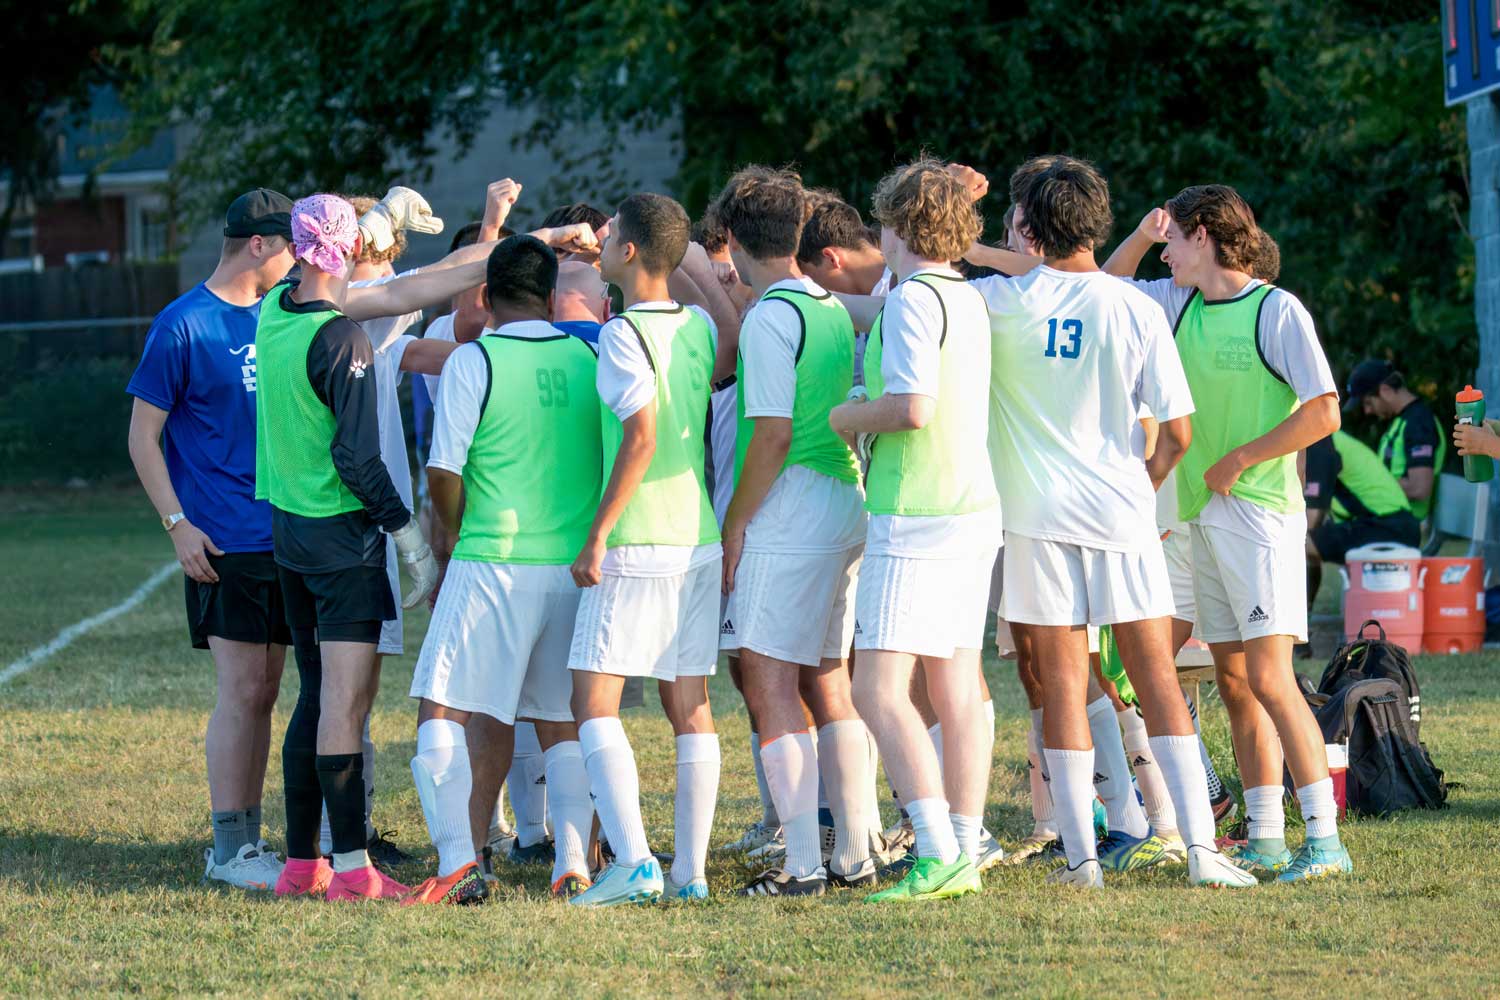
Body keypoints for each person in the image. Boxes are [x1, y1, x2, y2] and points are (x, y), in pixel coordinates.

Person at [975, 158, 1253, 889]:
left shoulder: (995, 303)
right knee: (1156, 677)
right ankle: (1202, 851)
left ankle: (1082, 861)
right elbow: (1178, 433)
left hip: (1035, 520)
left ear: (1029, 229)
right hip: (1121, 512)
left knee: (1063, 684)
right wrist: (1141, 485)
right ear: (1097, 224)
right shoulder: (1135, 306)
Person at [1105, 184, 1352, 882]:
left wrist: (1240, 459)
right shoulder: (1177, 303)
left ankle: (1326, 843)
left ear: (1205, 235)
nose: (1166, 255)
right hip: (1198, 518)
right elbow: (1104, 288)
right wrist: (1143, 234)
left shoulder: (1277, 309)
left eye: (1174, 240)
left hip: (1260, 517)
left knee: (1270, 679)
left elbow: (1324, 412)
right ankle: (1267, 836)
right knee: (1236, 682)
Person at [403, 235, 603, 904]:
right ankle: (571, 863)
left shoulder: (474, 360)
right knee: (560, 719)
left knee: (442, 706)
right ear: (551, 297)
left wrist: (454, 529)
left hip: (492, 557)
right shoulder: (585, 356)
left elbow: (443, 469)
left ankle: (459, 862)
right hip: (569, 566)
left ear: (486, 296)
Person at [255, 194, 444, 902]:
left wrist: (381, 217)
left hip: (290, 537)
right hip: (343, 542)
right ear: (353, 252)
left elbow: (318, 266)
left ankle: (303, 865)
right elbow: (360, 460)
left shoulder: (275, 308)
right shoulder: (345, 341)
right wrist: (408, 536)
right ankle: (355, 869)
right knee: (345, 701)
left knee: (313, 696)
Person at [827, 158, 999, 903]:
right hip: (970, 507)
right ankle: (963, 846)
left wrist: (846, 415)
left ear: (898, 227)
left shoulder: (911, 301)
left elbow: (912, 407)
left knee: (875, 689)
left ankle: (936, 850)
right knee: (955, 685)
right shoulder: (964, 294)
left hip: (916, 511)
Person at [126, 188, 298, 890]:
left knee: (268, 691)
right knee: (243, 688)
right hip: (223, 541)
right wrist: (178, 526)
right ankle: (229, 849)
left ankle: (249, 839)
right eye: (289, 248)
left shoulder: (281, 313)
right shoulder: (182, 324)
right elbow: (142, 437)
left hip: (285, 533)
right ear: (258, 244)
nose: (297, 262)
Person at [709, 167, 872, 896]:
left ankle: (802, 863)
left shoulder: (770, 317)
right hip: (842, 495)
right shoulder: (828, 304)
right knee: (829, 680)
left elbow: (772, 435)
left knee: (770, 680)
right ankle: (856, 853)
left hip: (792, 506)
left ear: (735, 239)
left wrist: (735, 521)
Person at [566, 193, 723, 907]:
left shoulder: (622, 334)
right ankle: (690, 874)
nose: (598, 248)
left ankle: (632, 862)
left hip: (637, 541)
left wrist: (598, 532)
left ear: (627, 252)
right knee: (689, 704)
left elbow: (642, 437)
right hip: (697, 535)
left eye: (608, 241)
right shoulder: (698, 324)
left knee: (592, 699)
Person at [1304, 430, 1419, 610]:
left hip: (1387, 525)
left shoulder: (1319, 444)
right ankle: (1303, 614)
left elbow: (1310, 520)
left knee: (1298, 544)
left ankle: (1299, 616)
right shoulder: (1329, 439)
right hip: (1390, 522)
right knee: (1305, 544)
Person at [1344, 359, 1446, 522]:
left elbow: (1419, 487)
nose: (1367, 411)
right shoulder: (1402, 421)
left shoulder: (1419, 422)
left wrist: (1367, 484)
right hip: (1385, 518)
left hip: (1400, 523)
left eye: (1368, 402)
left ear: (1385, 390)